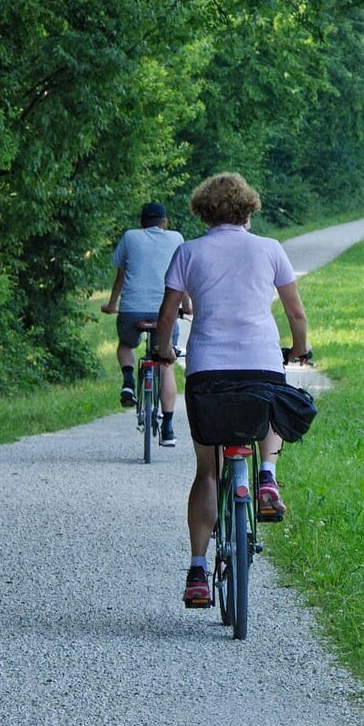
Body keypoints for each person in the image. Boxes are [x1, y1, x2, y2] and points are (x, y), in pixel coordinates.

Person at [153, 173, 313, 609]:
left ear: (202, 211)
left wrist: (165, 352)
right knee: (271, 403)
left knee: (207, 471)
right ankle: (266, 478)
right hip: (260, 361)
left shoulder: (188, 252)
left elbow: (168, 316)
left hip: (208, 371)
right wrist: (299, 350)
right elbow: (296, 315)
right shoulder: (270, 250)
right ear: (249, 208)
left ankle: (198, 571)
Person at [100, 202, 186, 446]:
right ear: (164, 223)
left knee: (126, 345)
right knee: (165, 362)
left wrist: (111, 303)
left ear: (141, 222)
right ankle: (168, 428)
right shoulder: (176, 238)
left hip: (132, 309)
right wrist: (187, 305)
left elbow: (121, 275)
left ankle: (128, 382)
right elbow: (182, 278)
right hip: (165, 310)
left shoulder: (130, 237)